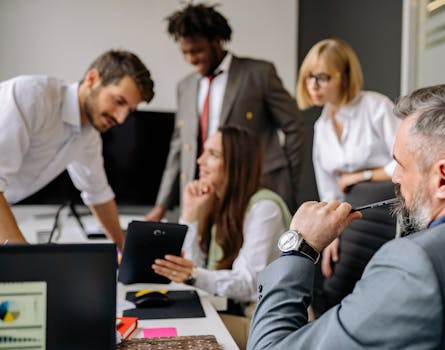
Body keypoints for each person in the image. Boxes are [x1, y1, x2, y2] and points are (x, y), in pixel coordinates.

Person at [247, 82, 445, 349]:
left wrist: (299, 248)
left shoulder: (415, 266)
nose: (395, 176)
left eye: (401, 164)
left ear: (443, 179)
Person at [145, 3, 304, 221]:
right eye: (185, 53)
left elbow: (295, 125)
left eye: (197, 50)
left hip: (255, 191)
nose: (191, 59)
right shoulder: (185, 86)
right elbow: (178, 148)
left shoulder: (259, 73)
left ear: (216, 42)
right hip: (205, 193)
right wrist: (161, 205)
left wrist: (287, 179)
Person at [0, 50, 155, 251]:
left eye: (130, 111)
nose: (121, 119)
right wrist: (25, 260)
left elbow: (98, 194)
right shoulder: (31, 96)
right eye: (119, 101)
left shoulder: (88, 135)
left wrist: (122, 248)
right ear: (92, 79)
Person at [152, 126, 290, 349]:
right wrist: (190, 214)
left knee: (174, 337)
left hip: (267, 322)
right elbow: (195, 268)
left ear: (237, 165)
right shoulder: (220, 204)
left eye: (213, 155)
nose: (200, 160)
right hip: (237, 310)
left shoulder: (265, 208)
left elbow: (248, 282)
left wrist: (193, 274)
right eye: (204, 151)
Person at [296, 38, 401, 288]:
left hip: (386, 211)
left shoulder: (376, 106)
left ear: (343, 76)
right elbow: (329, 190)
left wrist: (362, 176)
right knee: (332, 285)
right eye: (309, 77)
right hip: (349, 216)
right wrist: (330, 236)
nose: (313, 85)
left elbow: (406, 162)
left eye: (322, 77)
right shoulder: (321, 127)